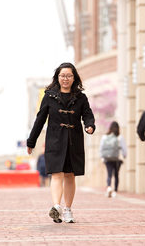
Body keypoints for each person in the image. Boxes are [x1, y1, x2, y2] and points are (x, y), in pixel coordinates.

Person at [27, 62, 95, 223]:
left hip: (74, 141)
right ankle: (57, 206)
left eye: (69, 76)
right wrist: (31, 141)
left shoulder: (80, 97)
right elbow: (40, 120)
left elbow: (87, 114)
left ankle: (68, 209)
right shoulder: (49, 96)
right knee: (56, 174)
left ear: (74, 78)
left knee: (70, 176)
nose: (65, 79)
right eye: (62, 76)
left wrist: (90, 125)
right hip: (55, 141)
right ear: (57, 77)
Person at [100, 121, 127, 198]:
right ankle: (115, 191)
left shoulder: (105, 137)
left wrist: (102, 157)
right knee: (116, 175)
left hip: (107, 158)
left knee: (109, 174)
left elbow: (101, 148)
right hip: (116, 158)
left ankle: (108, 187)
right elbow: (124, 149)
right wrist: (124, 156)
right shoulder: (120, 137)